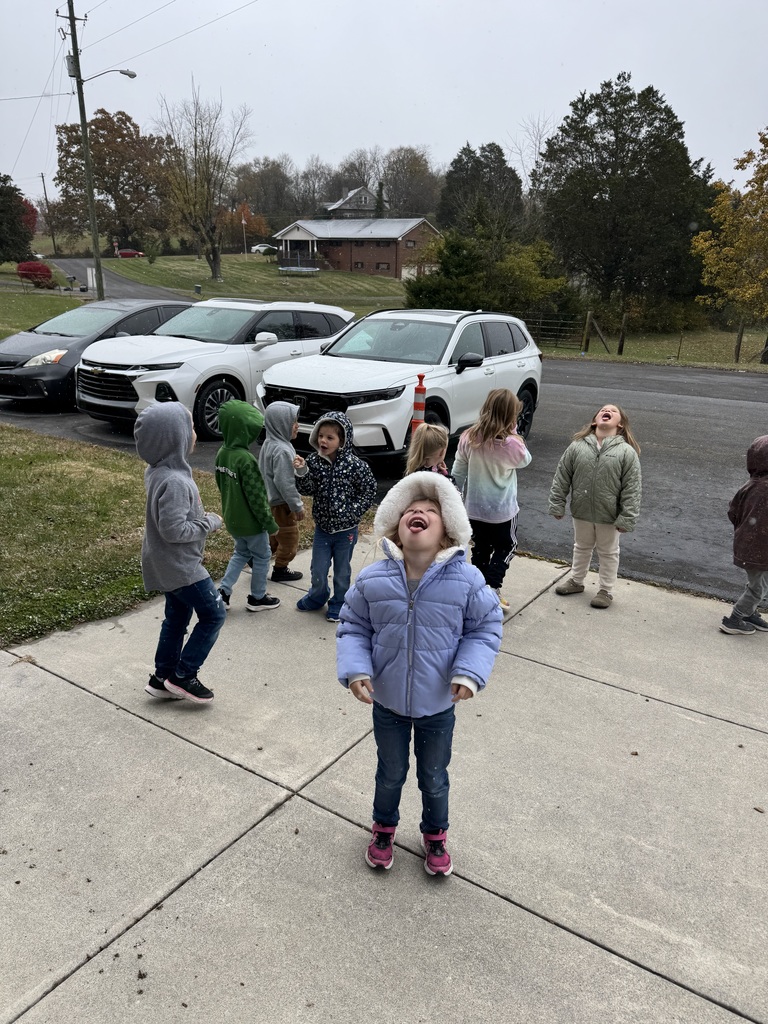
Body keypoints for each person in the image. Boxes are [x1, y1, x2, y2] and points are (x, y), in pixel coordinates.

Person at [337, 471, 502, 876]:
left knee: (434, 776)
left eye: (431, 510)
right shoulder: (373, 579)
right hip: (388, 701)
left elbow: (485, 627)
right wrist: (356, 668)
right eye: (411, 509)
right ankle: (383, 828)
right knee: (390, 772)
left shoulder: (466, 580)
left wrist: (469, 672)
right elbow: (353, 625)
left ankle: (435, 835)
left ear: (448, 530)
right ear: (397, 526)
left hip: (438, 703)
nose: (420, 513)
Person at [134, 402, 227, 705]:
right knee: (214, 614)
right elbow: (174, 531)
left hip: (164, 563)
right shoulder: (174, 481)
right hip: (181, 566)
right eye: (190, 429)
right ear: (175, 438)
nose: (195, 434)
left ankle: (162, 678)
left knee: (176, 618)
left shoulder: (158, 470)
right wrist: (209, 522)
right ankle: (183, 675)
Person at [548, 403, 642, 609]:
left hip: (609, 515)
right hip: (581, 511)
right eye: (602, 409)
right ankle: (576, 581)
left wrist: (627, 516)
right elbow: (562, 476)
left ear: (621, 425)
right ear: (594, 421)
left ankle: (606, 590)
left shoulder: (626, 452)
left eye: (613, 410)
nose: (606, 411)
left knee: (608, 552)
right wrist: (557, 502)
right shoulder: (577, 446)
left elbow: (632, 488)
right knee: (581, 547)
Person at [451, 388, 532, 611]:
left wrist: (453, 495)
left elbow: (458, 470)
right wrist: (513, 432)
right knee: (507, 546)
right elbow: (526, 460)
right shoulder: (513, 444)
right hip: (503, 511)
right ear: (511, 416)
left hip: (474, 509)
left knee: (480, 548)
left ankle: (479, 589)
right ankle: (492, 587)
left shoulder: (469, 437)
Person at [294, 410, 376, 622]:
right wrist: (302, 472)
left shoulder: (354, 465)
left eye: (330, 437)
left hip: (346, 531)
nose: (323, 440)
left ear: (342, 441)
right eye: (321, 435)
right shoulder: (314, 461)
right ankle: (317, 596)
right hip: (323, 528)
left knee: (342, 572)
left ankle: (339, 602)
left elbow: (369, 489)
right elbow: (308, 489)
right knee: (318, 569)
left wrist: (354, 511)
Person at [214, 400, 280, 613]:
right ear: (245, 430)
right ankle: (258, 597)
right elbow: (257, 497)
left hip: (233, 519)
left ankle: (223, 592)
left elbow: (220, 484)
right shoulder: (246, 460)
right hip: (252, 524)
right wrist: (269, 524)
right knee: (261, 556)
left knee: (240, 553)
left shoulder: (222, 453)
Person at [719, 435, 768, 635]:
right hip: (760, 548)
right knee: (758, 588)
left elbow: (733, 511)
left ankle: (749, 612)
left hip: (750, 545)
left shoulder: (751, 484)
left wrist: (744, 531)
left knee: (759, 582)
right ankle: (735, 618)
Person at [258, 400, 306, 583]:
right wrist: (296, 505)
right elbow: (285, 482)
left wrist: (301, 468)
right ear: (281, 424)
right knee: (289, 538)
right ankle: (281, 569)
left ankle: (257, 559)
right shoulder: (282, 450)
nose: (297, 426)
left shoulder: (269, 443)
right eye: (293, 421)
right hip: (282, 504)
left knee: (273, 535)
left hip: (269, 502)